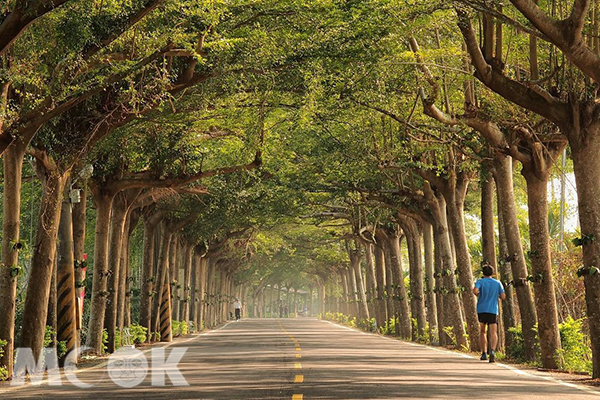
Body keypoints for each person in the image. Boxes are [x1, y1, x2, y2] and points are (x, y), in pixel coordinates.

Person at [473, 264, 506, 363]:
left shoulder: (480, 281)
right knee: (493, 332)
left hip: (482, 309)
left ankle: (484, 353)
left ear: (483, 273)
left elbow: (475, 290)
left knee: (483, 331)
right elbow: (503, 296)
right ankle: (492, 351)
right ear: (492, 273)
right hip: (493, 310)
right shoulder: (497, 283)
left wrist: (478, 294)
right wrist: (498, 295)